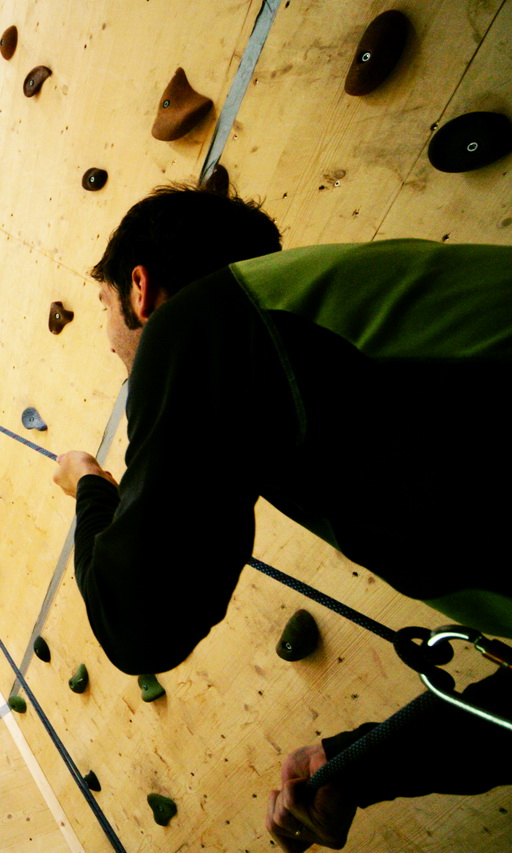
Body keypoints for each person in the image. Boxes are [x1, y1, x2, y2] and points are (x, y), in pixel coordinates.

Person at [51, 183, 512, 849]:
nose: (110, 343)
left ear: (141, 289)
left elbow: (138, 623)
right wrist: (360, 764)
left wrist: (91, 486)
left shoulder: (205, 324)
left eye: (105, 305)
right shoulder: (297, 340)